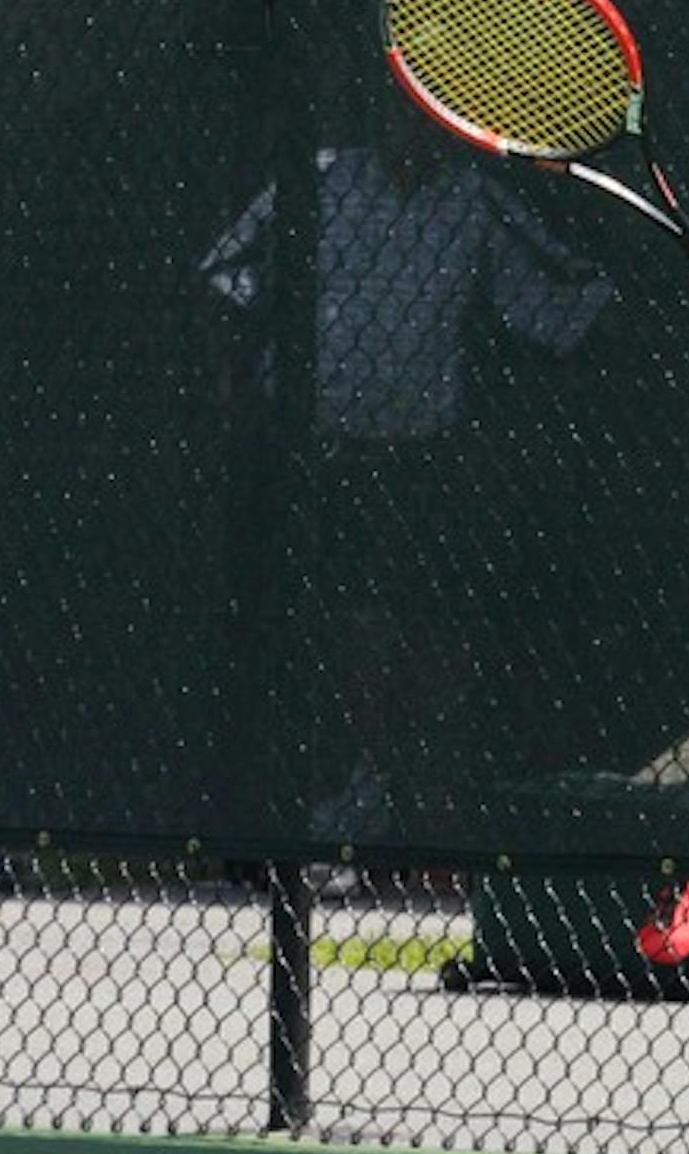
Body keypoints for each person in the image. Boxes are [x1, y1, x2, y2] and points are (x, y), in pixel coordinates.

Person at [203, 100, 612, 835]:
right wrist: (235, 398)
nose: (412, 127)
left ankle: (409, 798)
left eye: (430, 117)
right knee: (320, 634)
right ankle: (328, 798)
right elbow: (224, 279)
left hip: (415, 460)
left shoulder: (479, 198)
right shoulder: (315, 180)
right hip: (305, 454)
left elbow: (567, 300)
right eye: (398, 109)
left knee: (417, 634)